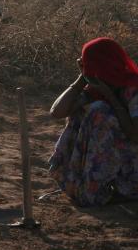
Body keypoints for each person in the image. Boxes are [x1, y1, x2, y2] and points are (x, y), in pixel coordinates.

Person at [49, 37, 138, 206]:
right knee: (80, 112)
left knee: (99, 111)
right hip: (114, 159)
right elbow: (57, 112)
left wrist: (111, 98)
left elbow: (135, 136)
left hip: (131, 164)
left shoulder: (133, 87)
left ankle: (105, 188)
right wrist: (81, 78)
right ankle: (92, 185)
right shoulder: (96, 88)